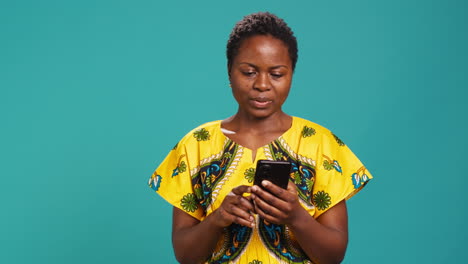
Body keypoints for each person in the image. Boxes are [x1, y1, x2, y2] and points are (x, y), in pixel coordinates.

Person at [148, 12, 372, 264]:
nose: (262, 85)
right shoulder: (195, 145)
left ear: (291, 75)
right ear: (229, 71)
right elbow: (185, 255)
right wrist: (218, 218)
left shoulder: (322, 144)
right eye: (249, 72)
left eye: (276, 74)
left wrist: (295, 216)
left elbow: (334, 256)